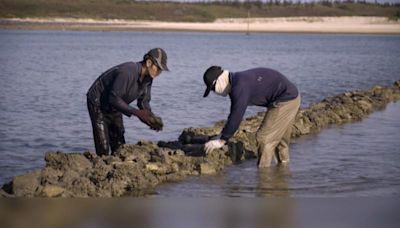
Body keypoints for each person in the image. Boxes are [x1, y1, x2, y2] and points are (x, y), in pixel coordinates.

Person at [202, 66, 300, 168]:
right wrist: (223, 135)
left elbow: (237, 115)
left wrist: (222, 141)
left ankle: (264, 176)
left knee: (264, 138)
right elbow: (234, 113)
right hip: (292, 96)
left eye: (213, 88)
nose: (214, 92)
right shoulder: (236, 80)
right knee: (279, 139)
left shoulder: (239, 87)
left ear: (219, 80)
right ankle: (283, 172)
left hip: (286, 100)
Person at [86, 48, 169, 156]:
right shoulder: (127, 71)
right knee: (103, 148)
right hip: (98, 104)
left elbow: (143, 102)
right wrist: (137, 113)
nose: (159, 72)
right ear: (149, 62)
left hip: (116, 107)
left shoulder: (148, 79)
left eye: (161, 70)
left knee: (120, 146)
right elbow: (113, 98)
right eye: (158, 68)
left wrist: (151, 118)